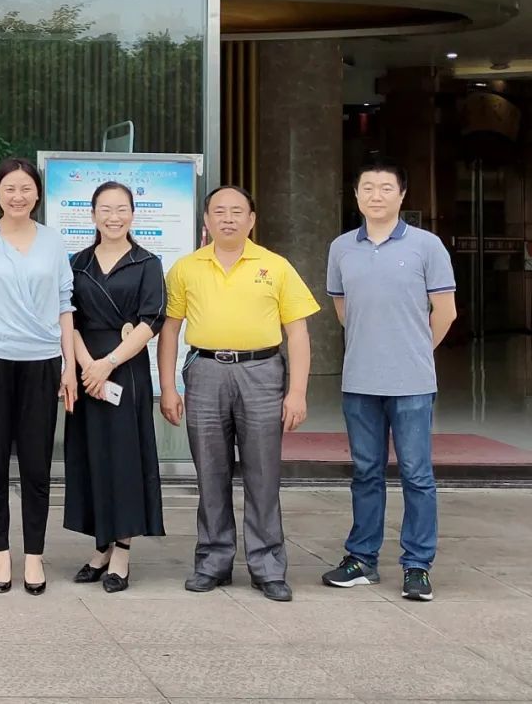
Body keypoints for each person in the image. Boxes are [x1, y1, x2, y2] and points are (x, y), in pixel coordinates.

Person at [157, 185, 319, 602]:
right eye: (219, 211)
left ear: (251, 219)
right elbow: (170, 331)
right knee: (210, 472)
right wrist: (168, 388)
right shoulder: (186, 268)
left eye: (236, 211)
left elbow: (298, 333)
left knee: (263, 474)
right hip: (205, 371)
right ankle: (213, 561)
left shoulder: (276, 266)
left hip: (262, 372)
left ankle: (268, 566)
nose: (227, 219)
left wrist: (297, 392)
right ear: (206, 220)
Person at [322, 158, 456, 602]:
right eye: (367, 188)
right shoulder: (341, 248)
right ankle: (361, 558)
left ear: (402, 195)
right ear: (355, 195)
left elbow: (446, 312)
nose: (375, 195)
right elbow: (344, 310)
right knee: (366, 472)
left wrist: (414, 349)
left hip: (413, 382)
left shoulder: (427, 246)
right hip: (359, 381)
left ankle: (417, 565)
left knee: (417, 474)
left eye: (385, 188)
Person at [0, 156, 78, 595]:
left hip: (42, 364)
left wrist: (69, 366)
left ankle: (35, 556)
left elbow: (65, 306)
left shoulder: (53, 242)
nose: (18, 196)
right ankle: (1, 553)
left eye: (26, 188)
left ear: (37, 194)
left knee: (37, 465)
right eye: (9, 188)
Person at [64, 181, 167, 593]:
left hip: (125, 368)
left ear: (132, 215)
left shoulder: (147, 263)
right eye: (105, 209)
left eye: (121, 209)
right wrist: (86, 365)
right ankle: (101, 545)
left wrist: (107, 364)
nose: (113, 217)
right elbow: (67, 317)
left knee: (124, 458)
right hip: (85, 368)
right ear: (92, 215)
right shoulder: (77, 263)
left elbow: (150, 321)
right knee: (91, 456)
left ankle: (122, 549)